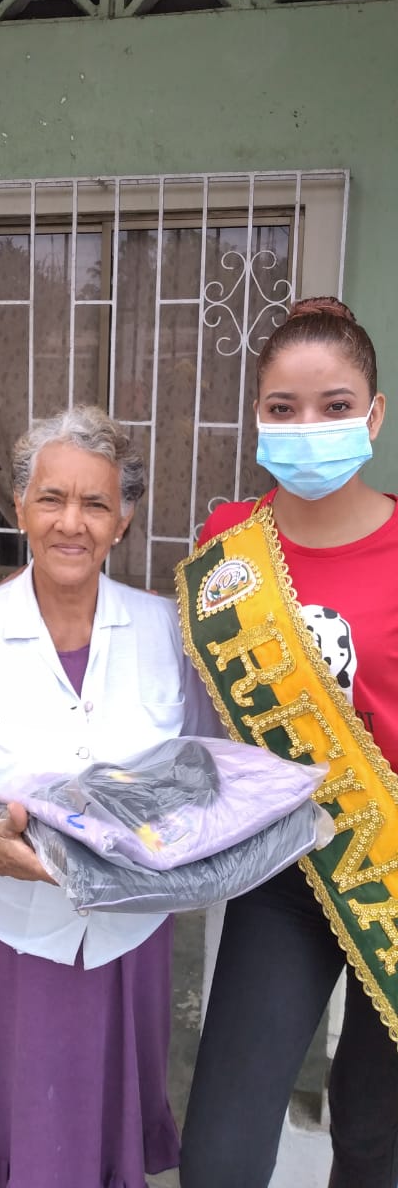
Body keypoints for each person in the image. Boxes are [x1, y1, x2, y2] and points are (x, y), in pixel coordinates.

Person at [0, 404, 219, 1188]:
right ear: (19, 507)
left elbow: (209, 775)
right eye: (52, 499)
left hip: (126, 940)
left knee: (101, 1140)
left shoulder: (166, 633)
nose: (72, 523)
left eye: (96, 503)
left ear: (123, 519)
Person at [177, 297, 398, 1188]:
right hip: (284, 868)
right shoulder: (227, 545)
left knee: (376, 1138)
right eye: (284, 408)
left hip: (391, 870)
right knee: (220, 1157)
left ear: (373, 416)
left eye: (334, 406)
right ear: (259, 418)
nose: (309, 427)